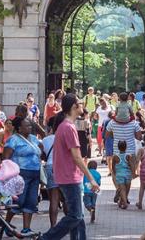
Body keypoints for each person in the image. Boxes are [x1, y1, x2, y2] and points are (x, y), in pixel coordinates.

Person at [42, 94, 99, 240]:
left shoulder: (65, 126)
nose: (82, 105)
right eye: (80, 103)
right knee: (75, 216)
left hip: (68, 176)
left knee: (77, 217)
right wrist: (91, 178)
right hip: (70, 177)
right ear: (74, 106)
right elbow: (77, 157)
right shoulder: (68, 127)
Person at [1, 117, 43, 234]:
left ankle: (26, 228)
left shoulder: (34, 139)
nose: (30, 127)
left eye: (30, 125)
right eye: (27, 125)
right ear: (19, 128)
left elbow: (41, 151)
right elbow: (5, 158)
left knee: (31, 201)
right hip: (20, 175)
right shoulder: (13, 140)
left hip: (35, 173)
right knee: (19, 201)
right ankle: (6, 224)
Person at [83, 160, 100, 225]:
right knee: (93, 204)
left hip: (86, 191)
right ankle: (93, 216)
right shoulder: (97, 174)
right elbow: (99, 183)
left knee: (87, 203)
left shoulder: (86, 173)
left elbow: (83, 181)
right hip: (94, 191)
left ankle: (91, 210)